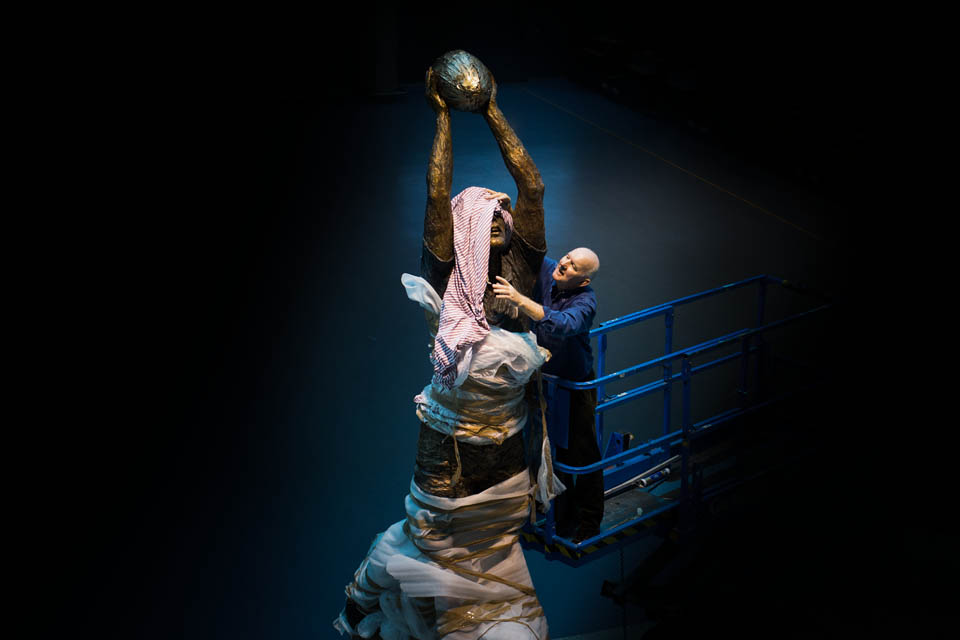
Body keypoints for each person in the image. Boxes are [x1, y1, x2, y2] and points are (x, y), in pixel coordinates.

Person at [335, 66, 561, 640]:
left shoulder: (521, 272)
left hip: (507, 437)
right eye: (484, 221)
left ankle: (379, 594)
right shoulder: (449, 277)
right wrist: (442, 113)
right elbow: (438, 193)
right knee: (431, 529)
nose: (499, 224)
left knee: (488, 541)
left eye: (502, 220)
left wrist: (489, 110)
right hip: (448, 434)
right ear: (466, 232)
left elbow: (531, 185)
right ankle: (366, 597)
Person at [492, 247, 602, 542]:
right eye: (567, 257)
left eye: (574, 266)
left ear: (584, 281)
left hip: (575, 386)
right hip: (544, 381)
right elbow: (524, 245)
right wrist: (502, 205)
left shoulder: (586, 302)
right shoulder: (549, 269)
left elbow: (565, 324)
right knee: (548, 450)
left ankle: (590, 522)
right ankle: (561, 517)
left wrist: (520, 301)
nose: (565, 264)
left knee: (580, 454)